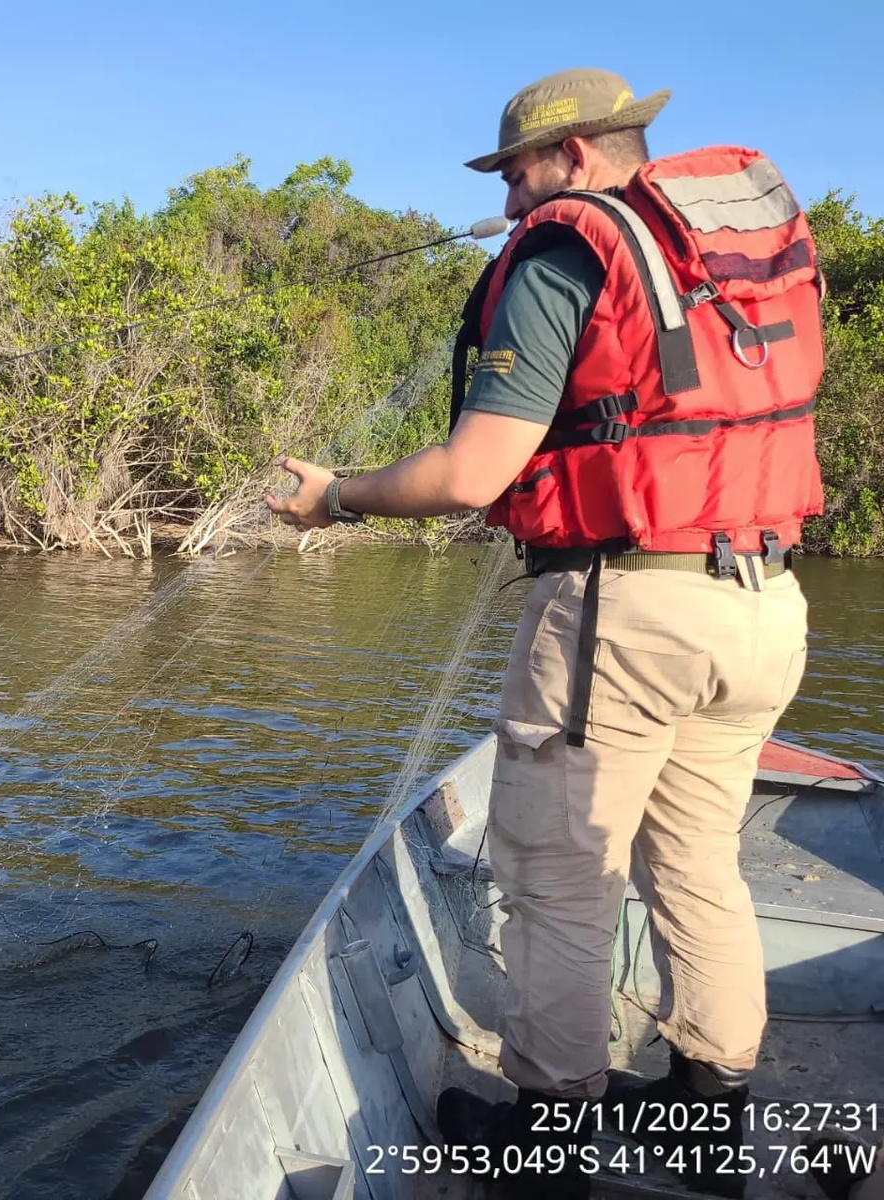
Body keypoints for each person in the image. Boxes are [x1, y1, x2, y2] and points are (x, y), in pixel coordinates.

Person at [265, 66, 825, 1199]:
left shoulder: (568, 247)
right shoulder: (711, 252)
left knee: (560, 880)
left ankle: (549, 1148)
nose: (513, 200)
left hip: (626, 613)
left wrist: (337, 496)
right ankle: (707, 1122)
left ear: (573, 157)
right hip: (763, 605)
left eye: (518, 173)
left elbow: (477, 472)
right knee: (701, 863)